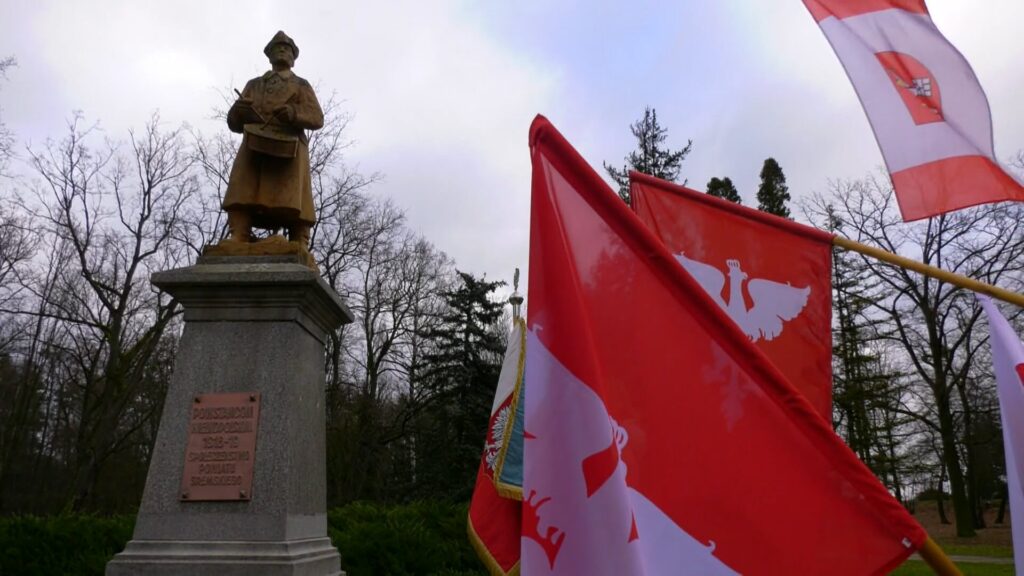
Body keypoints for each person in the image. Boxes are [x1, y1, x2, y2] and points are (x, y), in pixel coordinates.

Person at [223, 31, 323, 247]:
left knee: (294, 194)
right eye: (277, 47)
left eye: (287, 48)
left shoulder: (301, 85)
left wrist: (294, 113)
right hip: (254, 145)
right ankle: (238, 234)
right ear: (268, 55)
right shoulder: (254, 84)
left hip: (290, 147)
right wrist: (239, 112)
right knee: (243, 185)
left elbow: (317, 117)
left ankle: (299, 240)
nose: (282, 50)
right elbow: (233, 123)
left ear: (294, 58)